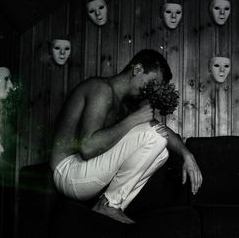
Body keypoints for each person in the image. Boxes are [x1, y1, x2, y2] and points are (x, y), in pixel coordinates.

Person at [50, 49, 203, 224]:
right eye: (152, 82)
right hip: (68, 173)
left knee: (162, 150)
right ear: (137, 69)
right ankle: (108, 205)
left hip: (85, 177)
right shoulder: (101, 89)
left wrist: (187, 154)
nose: (150, 90)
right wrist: (133, 120)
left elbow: (163, 131)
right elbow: (86, 148)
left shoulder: (126, 105)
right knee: (154, 137)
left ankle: (112, 205)